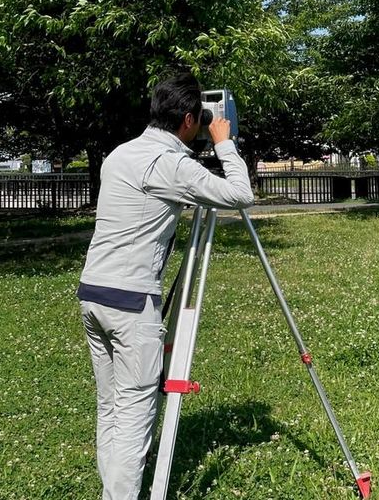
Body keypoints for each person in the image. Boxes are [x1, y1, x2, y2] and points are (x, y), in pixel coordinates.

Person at [77, 73, 254, 500]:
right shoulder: (169, 164)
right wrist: (224, 143)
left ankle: (110, 490)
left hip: (92, 294)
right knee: (135, 419)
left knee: (111, 407)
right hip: (131, 303)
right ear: (189, 119)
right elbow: (240, 193)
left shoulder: (120, 154)